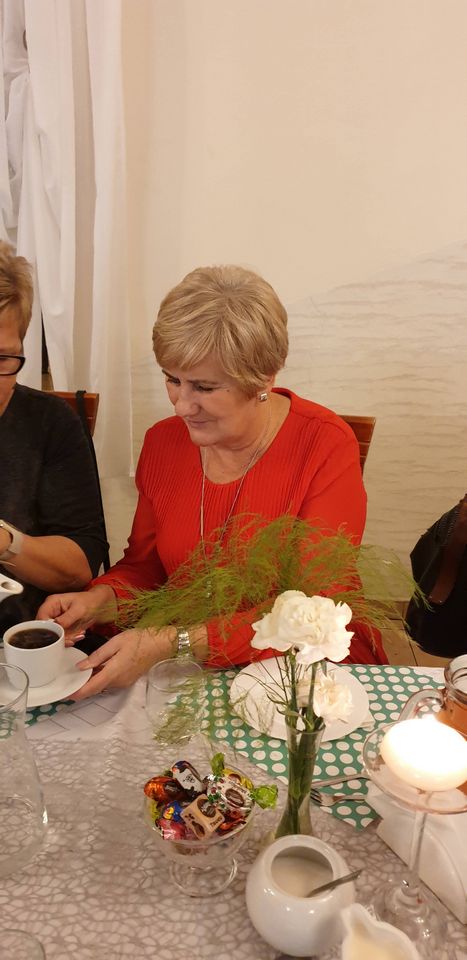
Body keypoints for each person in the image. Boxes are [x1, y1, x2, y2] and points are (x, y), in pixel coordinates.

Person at [38, 264, 387, 698]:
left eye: (204, 387)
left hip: (297, 668)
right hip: (183, 658)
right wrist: (99, 601)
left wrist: (178, 642)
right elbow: (147, 568)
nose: (182, 405)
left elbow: (315, 609)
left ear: (263, 379)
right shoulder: (163, 443)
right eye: (172, 379)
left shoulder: (324, 445)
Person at [0, 240, 109, 634]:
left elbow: (80, 564)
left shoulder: (48, 423)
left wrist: (5, 541)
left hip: (22, 645)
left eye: (3, 358)